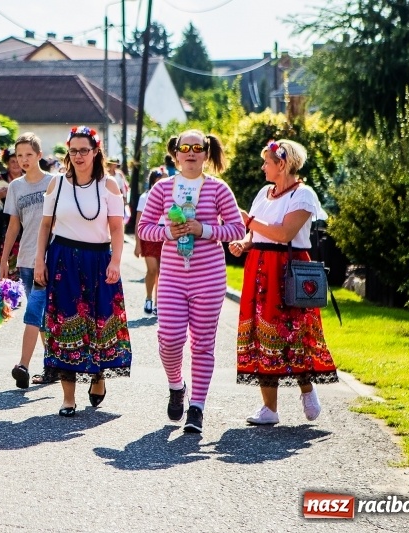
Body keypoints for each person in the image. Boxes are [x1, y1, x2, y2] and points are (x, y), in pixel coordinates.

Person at [137, 130, 245, 434]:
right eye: (185, 147)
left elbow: (237, 229)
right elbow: (144, 229)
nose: (191, 152)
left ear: (206, 153)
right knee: (169, 338)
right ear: (175, 153)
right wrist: (169, 233)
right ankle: (176, 386)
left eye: (198, 147)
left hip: (209, 277)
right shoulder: (162, 189)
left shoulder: (218, 189)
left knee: (203, 344)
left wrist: (204, 229)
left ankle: (197, 407)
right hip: (171, 276)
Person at [228, 139, 338, 425]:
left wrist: (249, 222)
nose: (263, 166)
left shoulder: (303, 195)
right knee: (261, 331)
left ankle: (306, 389)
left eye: (267, 161)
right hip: (259, 267)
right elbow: (256, 235)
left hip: (287, 268)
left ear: (283, 164)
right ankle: (269, 408)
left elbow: (284, 234)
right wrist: (244, 243)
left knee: (293, 330)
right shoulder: (265, 193)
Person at [34, 126, 132, 417]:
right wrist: (40, 260)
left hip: (99, 260)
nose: (78, 156)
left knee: (99, 323)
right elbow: (44, 226)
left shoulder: (109, 185)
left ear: (95, 151)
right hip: (63, 259)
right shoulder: (57, 184)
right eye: (73, 150)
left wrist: (116, 261)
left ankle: (98, 374)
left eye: (84, 150)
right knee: (65, 324)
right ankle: (68, 397)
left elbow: (116, 227)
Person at [2, 133, 56, 388]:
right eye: (19, 156)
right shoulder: (16, 186)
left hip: (49, 259)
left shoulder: (54, 183)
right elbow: (13, 226)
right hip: (24, 259)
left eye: (29, 155)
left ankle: (23, 365)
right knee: (41, 317)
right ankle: (52, 365)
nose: (24, 160)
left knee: (34, 311)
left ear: (39, 155)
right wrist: (4, 259)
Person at [0, 148, 23, 280]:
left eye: (18, 161)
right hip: (2, 223)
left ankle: (17, 290)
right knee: (2, 256)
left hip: (22, 223)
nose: (16, 164)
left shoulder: (27, 177)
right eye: (12, 161)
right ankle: (5, 287)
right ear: (7, 163)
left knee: (19, 258)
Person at [134, 167, 166, 315]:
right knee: (152, 270)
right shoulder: (145, 197)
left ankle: (159, 303)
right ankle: (148, 298)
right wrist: (137, 243)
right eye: (158, 179)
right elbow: (139, 221)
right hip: (149, 235)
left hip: (165, 235)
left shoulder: (171, 195)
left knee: (162, 272)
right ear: (153, 181)